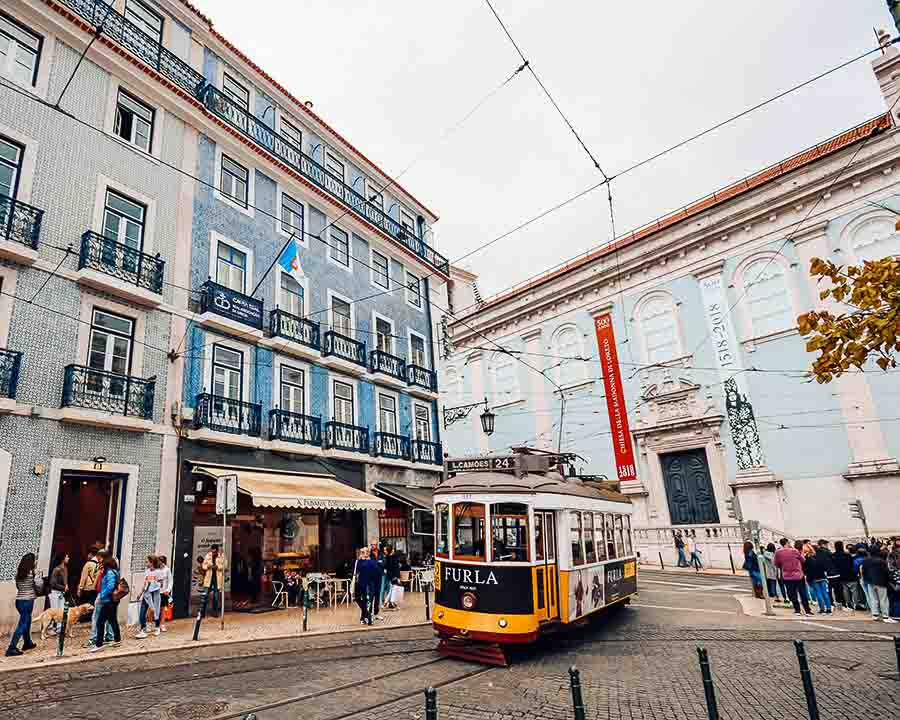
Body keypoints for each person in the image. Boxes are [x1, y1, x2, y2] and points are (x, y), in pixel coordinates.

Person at [6, 553, 39, 656]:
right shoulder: (31, 574)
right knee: (23, 624)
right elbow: (37, 585)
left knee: (27, 621)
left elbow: (18, 587)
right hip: (28, 601)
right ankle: (11, 647)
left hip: (19, 601)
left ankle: (27, 642)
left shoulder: (19, 574)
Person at [90, 556, 122, 652]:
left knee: (100, 622)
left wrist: (102, 596)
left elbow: (110, 586)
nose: (101, 564)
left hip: (108, 601)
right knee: (112, 620)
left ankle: (98, 644)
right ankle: (117, 639)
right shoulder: (115, 572)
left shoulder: (109, 573)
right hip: (112, 600)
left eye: (103, 563)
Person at [774, 537, 813, 616]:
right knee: (803, 593)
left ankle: (797, 610)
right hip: (798, 575)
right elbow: (803, 560)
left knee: (792, 594)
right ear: (787, 543)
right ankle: (807, 611)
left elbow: (776, 564)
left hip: (787, 576)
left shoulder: (778, 552)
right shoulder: (795, 551)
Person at [85, 549, 114, 647]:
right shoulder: (108, 568)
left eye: (98, 557)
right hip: (106, 596)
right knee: (108, 617)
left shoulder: (108, 570)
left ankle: (94, 638)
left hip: (103, 596)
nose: (97, 559)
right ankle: (110, 636)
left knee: (96, 618)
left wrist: (101, 595)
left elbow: (110, 585)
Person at [861, 548, 895, 623]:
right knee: (883, 599)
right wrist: (889, 581)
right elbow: (886, 572)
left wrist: (866, 580)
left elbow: (863, 571)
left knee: (873, 599)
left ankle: (875, 615)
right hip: (881, 583)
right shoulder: (882, 561)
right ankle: (885, 616)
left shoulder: (866, 561)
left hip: (870, 582)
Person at [137, 555, 162, 639]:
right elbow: (145, 583)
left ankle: (157, 627)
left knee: (156, 611)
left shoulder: (158, 572)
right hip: (147, 594)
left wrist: (155, 585)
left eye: (147, 561)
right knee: (142, 612)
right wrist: (140, 593)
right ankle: (142, 630)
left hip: (155, 594)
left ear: (152, 563)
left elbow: (161, 583)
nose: (146, 563)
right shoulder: (147, 571)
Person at [803, 543, 832, 614]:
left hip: (814, 578)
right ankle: (828, 608)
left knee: (818, 593)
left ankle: (822, 608)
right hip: (822, 576)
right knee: (825, 593)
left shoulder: (806, 559)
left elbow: (806, 570)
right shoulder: (819, 556)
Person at [354, 548, 379, 625]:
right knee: (366, 601)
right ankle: (366, 616)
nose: (360, 554)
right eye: (361, 552)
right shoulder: (372, 562)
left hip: (363, 585)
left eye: (362, 552)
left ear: (366, 553)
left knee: (362, 600)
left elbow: (356, 572)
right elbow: (377, 574)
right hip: (368, 585)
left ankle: (366, 617)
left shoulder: (360, 562)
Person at [47, 552, 69, 635]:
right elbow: (52, 583)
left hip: (62, 593)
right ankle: (50, 627)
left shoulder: (65, 568)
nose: (68, 558)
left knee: (61, 610)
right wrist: (63, 587)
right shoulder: (57, 569)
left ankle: (59, 627)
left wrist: (65, 587)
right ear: (63, 559)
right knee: (54, 611)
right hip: (55, 593)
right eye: (67, 557)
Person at [832, 541, 857, 611]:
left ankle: (847, 603)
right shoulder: (847, 555)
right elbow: (852, 565)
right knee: (854, 591)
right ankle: (855, 604)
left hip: (839, 575)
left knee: (844, 591)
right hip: (850, 574)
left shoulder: (833, 555)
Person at [77, 543, 103, 608]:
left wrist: (80, 589)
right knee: (92, 607)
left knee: (84, 608)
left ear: (91, 554)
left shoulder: (88, 564)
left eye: (88, 554)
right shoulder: (100, 565)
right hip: (95, 589)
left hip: (87, 590)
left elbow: (83, 578)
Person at [202, 545, 225, 616]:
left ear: (217, 550)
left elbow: (225, 566)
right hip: (209, 578)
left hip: (217, 579)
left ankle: (214, 612)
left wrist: (217, 567)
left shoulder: (222, 556)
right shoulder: (208, 556)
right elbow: (203, 565)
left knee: (216, 596)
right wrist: (208, 566)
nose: (213, 553)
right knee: (205, 595)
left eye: (215, 552)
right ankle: (202, 612)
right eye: (212, 551)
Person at [158, 555, 172, 632]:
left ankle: (162, 624)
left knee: (162, 609)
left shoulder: (167, 570)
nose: (160, 563)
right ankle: (151, 623)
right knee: (152, 608)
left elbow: (170, 581)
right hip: (156, 591)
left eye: (161, 562)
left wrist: (168, 590)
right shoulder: (156, 569)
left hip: (163, 592)